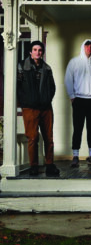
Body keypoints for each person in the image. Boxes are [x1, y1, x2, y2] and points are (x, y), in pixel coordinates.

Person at [17, 40, 60, 177]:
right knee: (33, 138)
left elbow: (52, 87)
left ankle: (49, 165)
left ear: (42, 52)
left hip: (46, 108)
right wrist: (25, 102)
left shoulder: (47, 68)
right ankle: (33, 166)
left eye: (40, 50)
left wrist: (47, 99)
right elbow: (17, 87)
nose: (37, 52)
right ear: (30, 52)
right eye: (35, 50)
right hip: (30, 108)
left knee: (49, 138)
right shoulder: (22, 66)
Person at [65, 39, 91, 167]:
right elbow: (68, 79)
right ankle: (75, 156)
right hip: (79, 100)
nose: (89, 48)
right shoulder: (74, 62)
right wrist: (72, 96)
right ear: (83, 47)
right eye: (87, 46)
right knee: (78, 128)